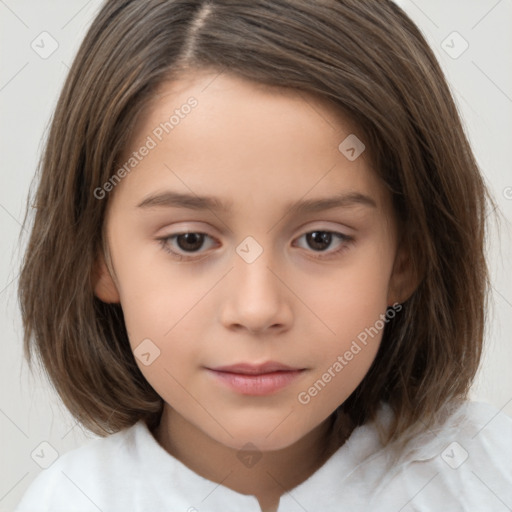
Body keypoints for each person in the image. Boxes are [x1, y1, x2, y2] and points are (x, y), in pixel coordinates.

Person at [15, 0, 512, 511]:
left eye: (322, 239)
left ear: (406, 256)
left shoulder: (488, 479)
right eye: (190, 240)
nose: (256, 309)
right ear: (98, 256)